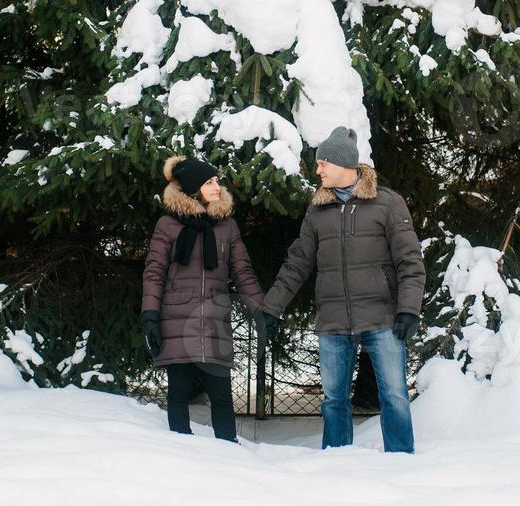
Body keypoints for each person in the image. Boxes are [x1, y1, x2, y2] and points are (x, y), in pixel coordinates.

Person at [257, 127, 425, 453]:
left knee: (394, 395)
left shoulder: (388, 203)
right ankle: (335, 462)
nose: (317, 170)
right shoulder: (318, 211)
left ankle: (402, 461)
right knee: (334, 400)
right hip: (333, 320)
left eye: (323, 163)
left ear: (343, 163)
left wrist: (408, 309)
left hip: (382, 317)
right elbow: (298, 263)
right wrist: (271, 307)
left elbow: (410, 261)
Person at [141, 155, 265, 443]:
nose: (217, 187)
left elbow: (243, 271)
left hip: (213, 322)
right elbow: (154, 273)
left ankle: (229, 457)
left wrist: (261, 310)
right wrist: (150, 316)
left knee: (221, 395)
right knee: (179, 392)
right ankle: (183, 460)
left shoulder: (227, 226)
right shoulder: (168, 225)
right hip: (175, 321)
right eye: (210, 182)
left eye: (217, 181)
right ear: (195, 188)